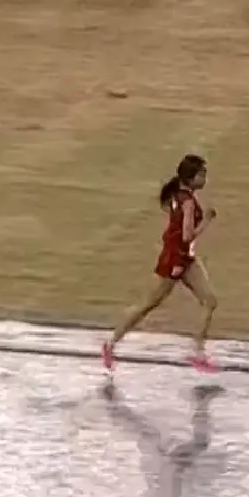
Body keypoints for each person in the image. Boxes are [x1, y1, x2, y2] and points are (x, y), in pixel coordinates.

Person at [103, 153, 220, 373]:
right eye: (202, 174)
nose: (205, 178)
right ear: (191, 178)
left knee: (210, 301)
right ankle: (110, 343)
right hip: (175, 260)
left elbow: (170, 212)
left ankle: (198, 353)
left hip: (184, 258)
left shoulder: (179, 195)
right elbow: (187, 236)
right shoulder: (187, 203)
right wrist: (206, 221)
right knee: (148, 304)